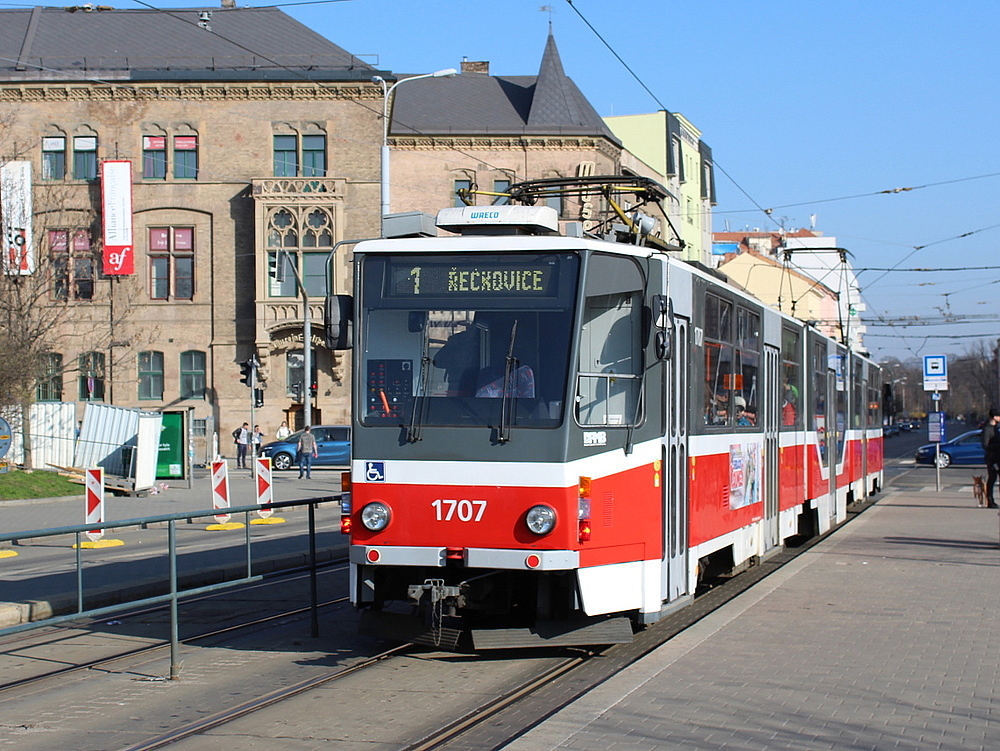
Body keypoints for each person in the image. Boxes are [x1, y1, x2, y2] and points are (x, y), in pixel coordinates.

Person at [981, 408, 1000, 508]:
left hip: (998, 457)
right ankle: (990, 501)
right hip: (992, 458)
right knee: (992, 478)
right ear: (994, 417)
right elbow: (985, 445)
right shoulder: (987, 429)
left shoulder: (996, 427)